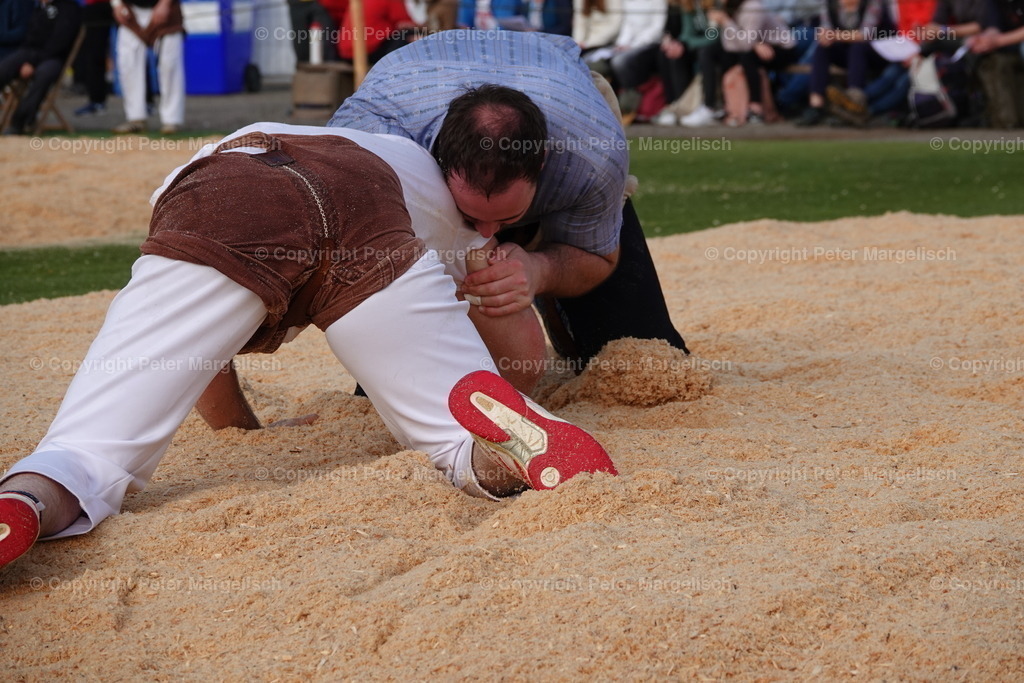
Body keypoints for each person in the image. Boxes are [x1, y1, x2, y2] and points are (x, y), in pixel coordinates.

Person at [0, 123, 618, 571]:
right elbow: (521, 352)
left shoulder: (199, 174)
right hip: (364, 202)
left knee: (87, 448)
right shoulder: (425, 185)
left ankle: (28, 499)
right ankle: (489, 453)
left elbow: (201, 356)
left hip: (227, 192)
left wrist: (241, 428)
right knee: (451, 434)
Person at [328, 30, 691, 372]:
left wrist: (539, 270)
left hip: (563, 82)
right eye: (470, 216)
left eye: (507, 217)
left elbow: (598, 255)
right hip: (407, 101)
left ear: (544, 161)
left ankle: (554, 293)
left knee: (641, 359)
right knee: (408, 367)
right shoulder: (369, 146)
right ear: (437, 163)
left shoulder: (593, 155)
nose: (488, 233)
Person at [681, 0, 799, 126]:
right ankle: (713, 107)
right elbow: (730, 46)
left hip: (780, 47)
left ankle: (756, 109)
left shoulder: (753, 7)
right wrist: (753, 44)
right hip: (755, 46)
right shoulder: (729, 9)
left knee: (747, 57)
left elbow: (745, 44)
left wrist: (726, 22)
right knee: (710, 52)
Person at [796, 0, 892, 126]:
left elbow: (864, 35)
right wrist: (826, 37)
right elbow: (824, 31)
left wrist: (834, 36)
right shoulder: (830, 4)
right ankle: (816, 104)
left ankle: (854, 100)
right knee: (821, 49)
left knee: (857, 47)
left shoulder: (873, 3)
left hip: (877, 52)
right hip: (846, 52)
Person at [0, 0, 81, 135]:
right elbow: (29, 36)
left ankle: (19, 122)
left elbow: (60, 42)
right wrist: (25, 61)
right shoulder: (40, 8)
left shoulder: (68, 9)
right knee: (4, 68)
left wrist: (33, 63)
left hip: (53, 57)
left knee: (44, 74)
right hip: (29, 53)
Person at [110, 0, 184, 134]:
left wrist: (165, 3)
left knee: (169, 65)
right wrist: (116, 4)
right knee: (128, 64)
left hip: (165, 9)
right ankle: (135, 118)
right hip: (130, 9)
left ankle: (171, 120)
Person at [72, 0, 113, 116]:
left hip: (121, 5)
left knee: (135, 49)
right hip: (93, 6)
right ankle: (97, 101)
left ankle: (145, 101)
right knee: (93, 55)